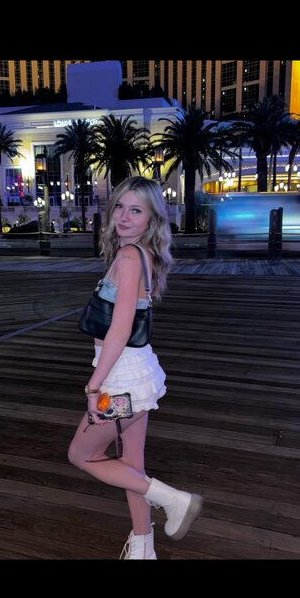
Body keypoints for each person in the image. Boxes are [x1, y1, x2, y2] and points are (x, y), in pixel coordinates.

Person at [67, 175, 203, 559]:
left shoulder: (129, 257)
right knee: (131, 464)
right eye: (120, 207)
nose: (124, 217)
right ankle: (143, 548)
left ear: (151, 219)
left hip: (119, 380)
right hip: (136, 371)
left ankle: (174, 500)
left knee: (81, 455)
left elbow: (121, 328)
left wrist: (95, 386)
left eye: (136, 210)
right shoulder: (141, 254)